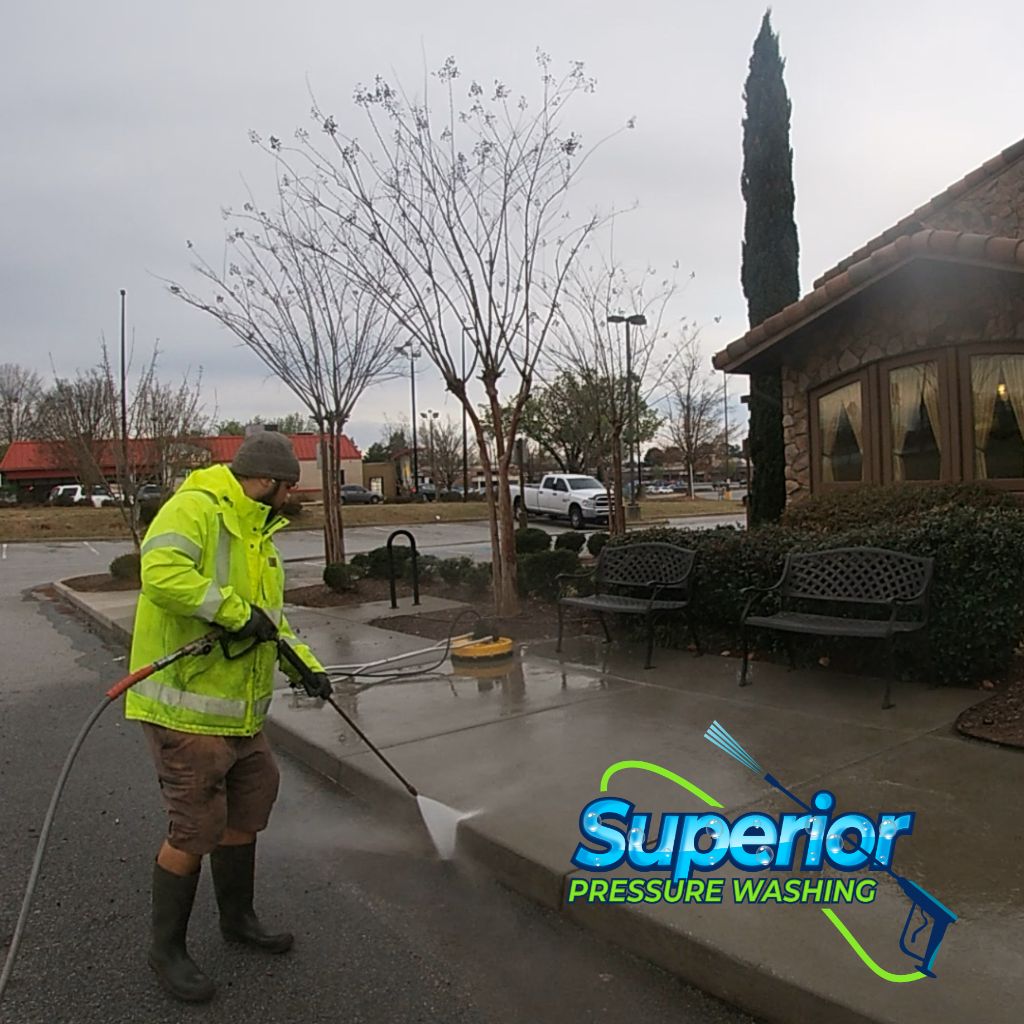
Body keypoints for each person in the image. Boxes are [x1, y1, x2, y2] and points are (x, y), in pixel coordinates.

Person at [125, 431, 333, 1003]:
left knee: (251, 802)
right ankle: (166, 950)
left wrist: (306, 668)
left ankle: (237, 919)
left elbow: (273, 622)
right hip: (185, 710)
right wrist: (237, 613)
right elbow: (161, 573)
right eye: (289, 487)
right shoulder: (196, 507)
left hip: (240, 714)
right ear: (268, 481)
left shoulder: (258, 532)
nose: (292, 498)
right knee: (194, 828)